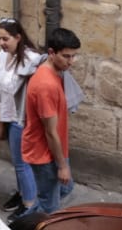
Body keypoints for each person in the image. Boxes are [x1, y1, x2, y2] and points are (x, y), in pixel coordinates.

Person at [21, 27, 81, 213]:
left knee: (63, 189)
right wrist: (62, 166)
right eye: (66, 56)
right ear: (51, 53)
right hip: (44, 154)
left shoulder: (55, 74)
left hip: (53, 150)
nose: (71, 62)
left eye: (73, 56)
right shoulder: (46, 85)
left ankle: (23, 224)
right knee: (49, 206)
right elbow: (50, 131)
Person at [0, 17, 45, 218]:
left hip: (21, 119)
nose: (1, 43)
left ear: (18, 37)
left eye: (5, 39)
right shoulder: (2, 56)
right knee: (16, 161)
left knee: (22, 163)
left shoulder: (32, 60)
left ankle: (30, 204)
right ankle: (23, 193)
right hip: (6, 114)